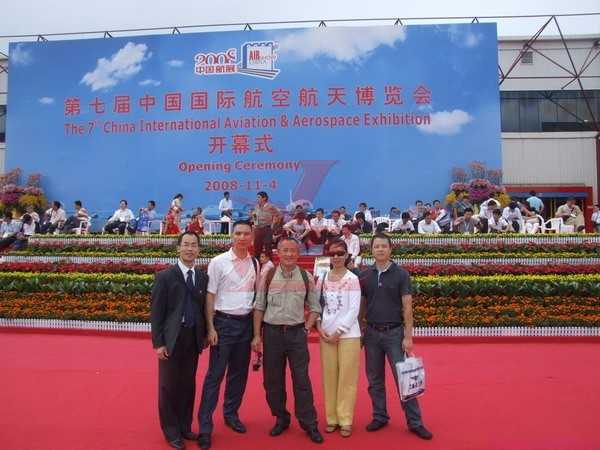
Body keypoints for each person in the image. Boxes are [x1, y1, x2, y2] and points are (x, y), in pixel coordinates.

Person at [359, 234, 433, 440]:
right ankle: (380, 416)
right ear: (371, 250)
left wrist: (408, 337)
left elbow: (407, 306)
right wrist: (360, 331)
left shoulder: (401, 274)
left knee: (404, 379)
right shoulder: (365, 275)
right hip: (372, 334)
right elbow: (361, 307)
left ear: (390, 249)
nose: (380, 249)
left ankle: (415, 422)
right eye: (376, 246)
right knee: (374, 380)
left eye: (384, 246)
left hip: (394, 333)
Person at [251, 238, 324, 444]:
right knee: (272, 381)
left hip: (296, 335)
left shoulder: (306, 277)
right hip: (272, 334)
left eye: (293, 250)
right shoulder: (268, 275)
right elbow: (259, 306)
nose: (289, 254)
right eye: (285, 250)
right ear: (278, 253)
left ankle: (309, 423)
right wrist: (257, 335)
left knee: (302, 380)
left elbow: (315, 307)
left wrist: (306, 328)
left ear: (298, 253)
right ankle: (281, 417)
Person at [198, 221, 258, 450]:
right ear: (232, 236)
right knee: (215, 376)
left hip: (245, 325)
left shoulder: (255, 263)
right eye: (238, 233)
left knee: (238, 375)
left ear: (252, 237)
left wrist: (256, 332)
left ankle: (231, 414)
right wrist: (210, 328)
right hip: (223, 325)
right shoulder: (218, 262)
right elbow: (210, 296)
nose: (242, 237)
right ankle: (205, 427)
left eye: (246, 234)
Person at [150, 231, 208, 450]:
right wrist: (158, 343)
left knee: (187, 384)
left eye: (194, 245)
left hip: (192, 338)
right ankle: (171, 431)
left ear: (198, 250)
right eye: (186, 244)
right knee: (168, 386)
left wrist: (205, 334)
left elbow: (203, 309)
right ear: (178, 248)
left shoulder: (202, 277)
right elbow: (156, 313)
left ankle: (185, 426)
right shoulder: (165, 277)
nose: (190, 249)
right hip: (171, 339)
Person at [316, 239, 361, 438]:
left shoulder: (353, 279)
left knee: (347, 379)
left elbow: (354, 309)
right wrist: (319, 326)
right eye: (332, 253)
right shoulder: (322, 278)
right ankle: (331, 418)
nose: (336, 257)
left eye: (340, 253)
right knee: (329, 377)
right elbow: (317, 304)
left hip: (349, 335)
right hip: (326, 335)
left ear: (346, 255)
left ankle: (345, 419)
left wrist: (339, 331)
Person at [253, 191, 281, 258]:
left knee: (267, 247)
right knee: (257, 247)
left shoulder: (270, 206)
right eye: (257, 197)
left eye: (259, 197)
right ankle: (257, 262)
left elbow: (278, 215)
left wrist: (273, 225)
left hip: (267, 229)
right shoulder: (256, 206)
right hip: (258, 229)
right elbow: (254, 216)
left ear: (264, 198)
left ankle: (269, 263)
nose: (257, 199)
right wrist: (255, 223)